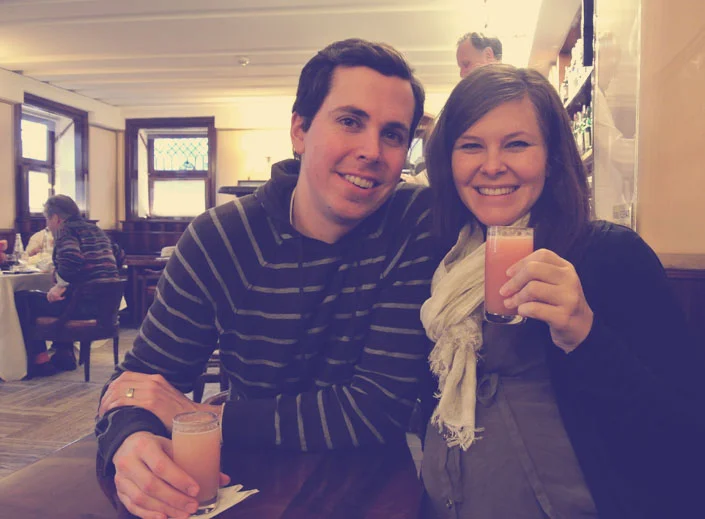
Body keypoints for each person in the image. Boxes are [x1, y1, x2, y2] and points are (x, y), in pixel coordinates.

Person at [95, 38, 436, 519]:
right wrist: (128, 441)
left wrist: (208, 417)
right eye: (350, 121)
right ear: (300, 130)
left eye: (393, 134)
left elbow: (376, 410)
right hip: (245, 480)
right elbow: (138, 383)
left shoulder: (413, 223)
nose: (371, 151)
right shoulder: (220, 238)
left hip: (374, 487)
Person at [419, 64, 705, 519]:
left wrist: (585, 336)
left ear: (552, 156)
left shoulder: (609, 255)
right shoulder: (444, 260)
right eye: (470, 145)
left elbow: (683, 439)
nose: (492, 165)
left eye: (517, 144)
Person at [15, 195, 122, 377]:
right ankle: (64, 354)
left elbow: (71, 259)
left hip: (82, 306)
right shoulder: (97, 230)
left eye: (47, 219)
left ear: (56, 218)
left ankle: (40, 362)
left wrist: (60, 285)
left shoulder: (66, 231)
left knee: (23, 299)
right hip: (106, 308)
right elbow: (119, 256)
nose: (48, 225)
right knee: (63, 296)